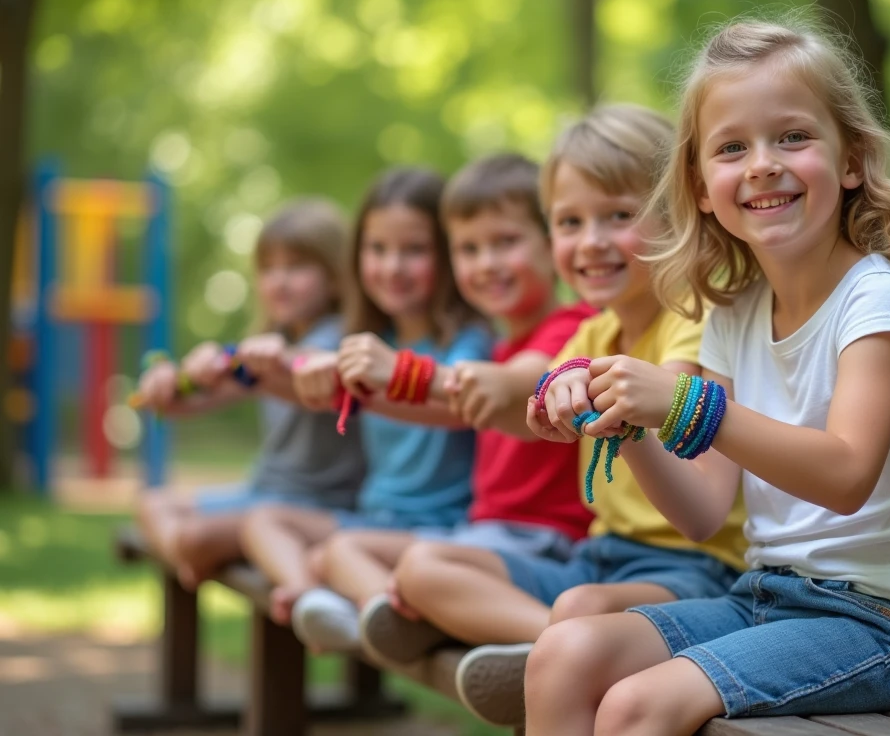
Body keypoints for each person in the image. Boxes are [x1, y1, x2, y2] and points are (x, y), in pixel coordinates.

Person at [521, 16, 890, 735]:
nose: (763, 163)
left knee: (639, 704)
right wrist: (629, 419)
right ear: (702, 187)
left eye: (792, 137)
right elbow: (704, 513)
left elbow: (846, 474)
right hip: (767, 597)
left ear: (851, 159)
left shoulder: (876, 302)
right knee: (563, 653)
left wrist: (683, 402)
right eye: (732, 148)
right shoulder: (734, 314)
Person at [394, 105, 747, 726]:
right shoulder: (593, 330)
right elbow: (528, 413)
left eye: (619, 216)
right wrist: (532, 403)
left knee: (581, 608)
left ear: (674, 215)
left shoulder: (694, 322)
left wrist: (603, 402)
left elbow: (680, 435)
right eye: (569, 222)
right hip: (600, 555)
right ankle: (540, 650)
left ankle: (547, 655)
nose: (591, 241)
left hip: (696, 570)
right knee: (423, 566)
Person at [283, 153, 595, 657]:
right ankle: (399, 616)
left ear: (551, 242)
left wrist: (399, 372)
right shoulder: (499, 343)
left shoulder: (573, 327)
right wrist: (347, 387)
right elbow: (451, 408)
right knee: (338, 553)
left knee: (416, 566)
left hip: (545, 541)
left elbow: (509, 386)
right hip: (490, 535)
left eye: (506, 242)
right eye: (469, 249)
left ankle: (564, 645)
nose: (487, 263)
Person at [239, 167, 492, 626]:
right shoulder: (370, 337)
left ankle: (387, 619)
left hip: (442, 531)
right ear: (357, 257)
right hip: (373, 520)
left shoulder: (467, 339)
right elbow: (308, 383)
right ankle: (313, 600)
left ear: (448, 256)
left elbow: (462, 397)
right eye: (378, 250)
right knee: (263, 522)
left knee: (336, 553)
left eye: (413, 250)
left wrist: (377, 376)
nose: (392, 267)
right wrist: (252, 363)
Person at [134, 199, 365, 590]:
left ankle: (193, 556)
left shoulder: (340, 337)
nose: (279, 281)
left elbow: (301, 367)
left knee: (193, 538)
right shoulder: (274, 343)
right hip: (262, 492)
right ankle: (191, 559)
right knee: (152, 503)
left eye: (296, 267)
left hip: (312, 507)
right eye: (269, 269)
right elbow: (194, 401)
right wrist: (166, 381)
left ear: (336, 277)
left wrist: (228, 359)